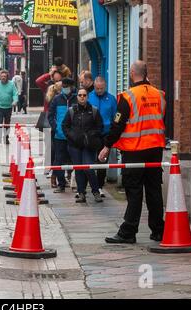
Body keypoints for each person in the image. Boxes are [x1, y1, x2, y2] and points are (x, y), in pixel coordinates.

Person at [99, 60, 166, 244]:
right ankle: (158, 230)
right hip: (155, 149)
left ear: (131, 73)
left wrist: (107, 146)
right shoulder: (159, 95)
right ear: (146, 73)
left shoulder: (128, 97)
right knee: (154, 190)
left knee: (134, 191)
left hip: (135, 150)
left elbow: (117, 125)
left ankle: (128, 231)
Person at [62, 88, 104, 203]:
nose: (82, 97)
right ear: (77, 97)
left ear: (88, 97)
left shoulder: (94, 111)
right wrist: (72, 136)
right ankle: (81, 193)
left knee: (88, 168)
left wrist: (91, 135)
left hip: (88, 145)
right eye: (80, 95)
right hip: (74, 145)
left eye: (84, 95)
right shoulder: (71, 111)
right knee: (79, 169)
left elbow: (100, 127)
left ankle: (96, 191)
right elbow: (65, 126)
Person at [88, 76, 117, 197]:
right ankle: (89, 185)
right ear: (94, 86)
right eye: (97, 88)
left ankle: (99, 186)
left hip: (105, 133)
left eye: (101, 88)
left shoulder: (111, 99)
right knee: (89, 160)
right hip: (91, 133)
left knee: (102, 161)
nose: (99, 90)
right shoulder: (89, 97)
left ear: (105, 86)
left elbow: (116, 116)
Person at [48, 78, 77, 193]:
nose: (65, 88)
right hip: (59, 136)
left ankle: (75, 183)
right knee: (58, 160)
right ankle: (61, 184)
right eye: (63, 86)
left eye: (67, 86)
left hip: (73, 136)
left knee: (75, 160)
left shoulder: (77, 98)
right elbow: (50, 115)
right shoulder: (56, 99)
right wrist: (56, 128)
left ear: (72, 87)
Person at [0, 70, 18, 144]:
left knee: (7, 124)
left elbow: (15, 94)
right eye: (2, 76)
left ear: (7, 77)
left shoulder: (11, 84)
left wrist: (15, 101)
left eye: (5, 76)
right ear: (0, 77)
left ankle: (6, 138)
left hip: (8, 107)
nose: (3, 78)